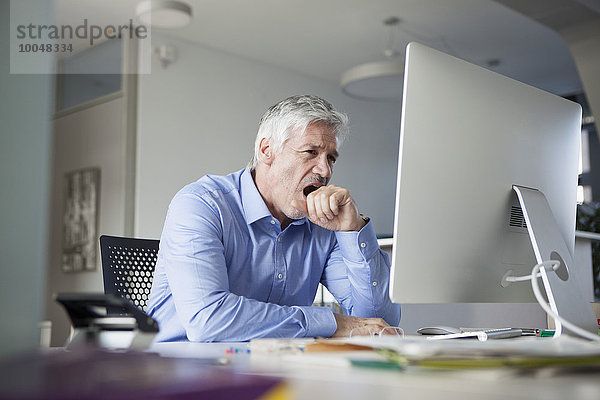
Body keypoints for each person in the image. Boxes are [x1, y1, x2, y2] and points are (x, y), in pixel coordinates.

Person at [147, 95, 401, 342]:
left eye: (331, 158)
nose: (325, 171)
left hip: (270, 366)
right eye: (310, 152)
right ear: (266, 150)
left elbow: (378, 321)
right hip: (179, 368)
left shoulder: (323, 223)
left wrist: (352, 230)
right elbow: (208, 320)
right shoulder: (201, 204)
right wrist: (330, 323)